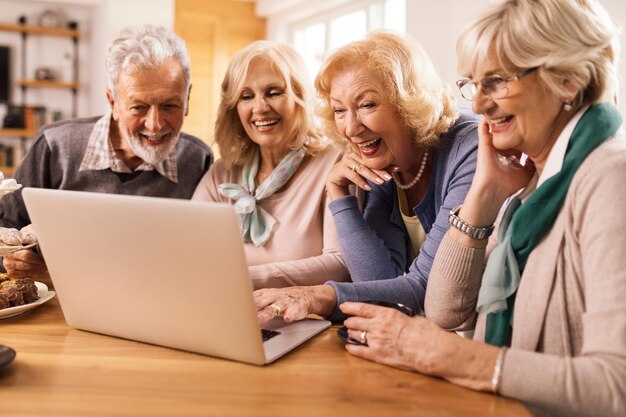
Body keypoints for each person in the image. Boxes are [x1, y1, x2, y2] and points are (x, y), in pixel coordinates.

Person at [334, 1, 626, 417]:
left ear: (569, 78)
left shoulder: (610, 177)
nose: (480, 105)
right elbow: (444, 309)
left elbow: (616, 385)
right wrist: (484, 193)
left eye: (498, 81)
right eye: (473, 84)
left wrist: (452, 357)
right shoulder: (534, 184)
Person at [254, 31, 478, 321]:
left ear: (409, 101)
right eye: (338, 110)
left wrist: (317, 296)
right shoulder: (382, 159)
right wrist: (338, 195)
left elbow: (426, 288)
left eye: (367, 105)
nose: (350, 127)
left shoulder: (469, 146)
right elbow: (378, 283)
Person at [0, 24, 213, 278]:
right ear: (114, 102)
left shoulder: (198, 160)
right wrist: (12, 259)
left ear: (187, 100)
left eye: (170, 105)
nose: (155, 124)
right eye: (138, 107)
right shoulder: (54, 146)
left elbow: (205, 251)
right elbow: (5, 226)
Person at [191, 40, 349, 288]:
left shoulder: (335, 163)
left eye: (273, 92)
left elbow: (341, 265)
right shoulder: (221, 174)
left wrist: (245, 279)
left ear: (300, 97)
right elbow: (189, 255)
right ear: (234, 108)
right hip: (227, 312)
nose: (260, 108)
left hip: (307, 321)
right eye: (246, 96)